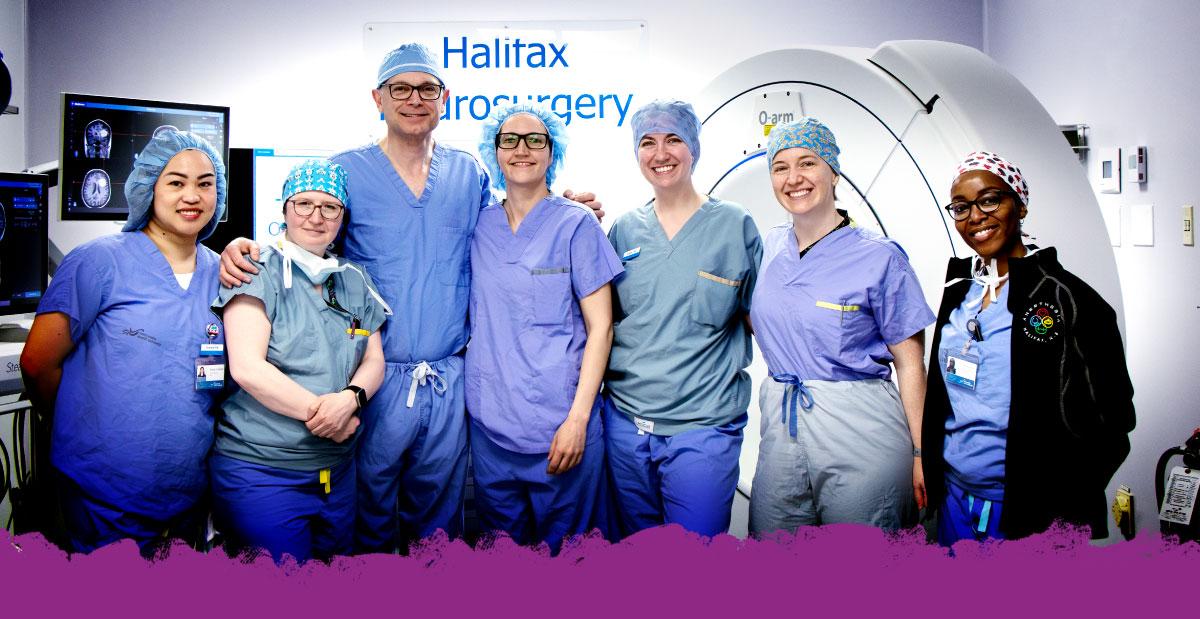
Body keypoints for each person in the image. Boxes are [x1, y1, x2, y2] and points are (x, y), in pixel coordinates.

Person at [219, 43, 601, 553]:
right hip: (375, 377)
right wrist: (244, 245)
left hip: (449, 377)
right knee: (369, 517)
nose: (414, 99)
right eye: (401, 88)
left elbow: (519, 220)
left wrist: (571, 206)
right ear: (379, 97)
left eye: (427, 89)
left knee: (439, 523)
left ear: (445, 98)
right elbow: (309, 236)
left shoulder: (469, 174)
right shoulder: (348, 171)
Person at [20, 130, 228, 554]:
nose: (192, 195)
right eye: (176, 182)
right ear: (149, 187)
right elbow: (38, 364)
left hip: (186, 491)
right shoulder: (99, 261)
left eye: (205, 183)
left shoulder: (222, 274)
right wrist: (85, 428)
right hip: (104, 492)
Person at [921, 151, 1135, 545]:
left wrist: (1059, 505)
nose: (976, 216)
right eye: (962, 207)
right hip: (956, 500)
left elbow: (1114, 420)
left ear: (1019, 205)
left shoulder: (1067, 298)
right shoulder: (959, 292)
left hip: (1027, 512)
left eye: (990, 200)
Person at [748, 117, 934, 534]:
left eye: (808, 163)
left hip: (861, 429)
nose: (794, 178)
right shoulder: (768, 247)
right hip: (782, 426)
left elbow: (909, 363)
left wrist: (922, 453)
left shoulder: (880, 257)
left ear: (833, 172)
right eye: (780, 167)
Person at [209, 160, 388, 562]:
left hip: (336, 474)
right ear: (285, 208)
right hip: (262, 471)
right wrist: (326, 417)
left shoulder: (354, 280)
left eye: (330, 207)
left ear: (343, 217)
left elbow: (374, 359)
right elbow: (248, 368)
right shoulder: (255, 270)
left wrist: (350, 399)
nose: (316, 217)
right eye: (304, 203)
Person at [603, 100, 762, 538]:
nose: (661, 153)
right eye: (648, 143)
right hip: (626, 425)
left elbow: (764, 321)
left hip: (702, 429)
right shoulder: (623, 230)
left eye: (673, 139)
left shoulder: (734, 225)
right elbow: (602, 325)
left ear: (693, 147)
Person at [467, 104, 622, 551]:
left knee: (572, 564)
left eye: (535, 140)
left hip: (561, 429)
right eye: (509, 140)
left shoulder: (576, 224)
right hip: (492, 429)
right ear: (494, 153)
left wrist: (577, 420)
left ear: (552, 152)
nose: (522, 150)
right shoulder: (478, 227)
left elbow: (601, 329)